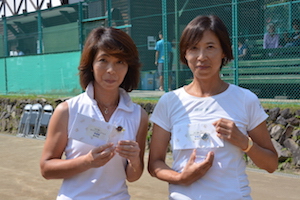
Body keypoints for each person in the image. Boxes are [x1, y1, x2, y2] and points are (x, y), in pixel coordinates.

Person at [148, 15, 278, 200]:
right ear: (185, 53)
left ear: (224, 51)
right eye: (194, 48)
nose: (202, 57)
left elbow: (271, 164)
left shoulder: (245, 99)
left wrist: (245, 143)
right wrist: (180, 178)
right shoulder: (170, 102)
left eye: (210, 47)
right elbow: (154, 163)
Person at [40, 27, 148, 200]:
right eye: (103, 60)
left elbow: (133, 176)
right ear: (91, 64)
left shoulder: (138, 115)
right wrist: (87, 161)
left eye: (120, 61)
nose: (111, 70)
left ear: (129, 66)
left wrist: (135, 160)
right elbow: (46, 169)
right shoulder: (68, 110)